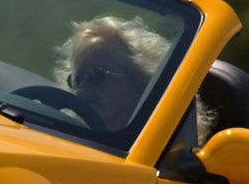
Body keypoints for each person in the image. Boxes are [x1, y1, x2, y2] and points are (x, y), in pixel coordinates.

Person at [56, 15, 215, 139]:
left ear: (139, 82)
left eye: (98, 76)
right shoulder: (60, 136)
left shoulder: (165, 157)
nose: (83, 88)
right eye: (78, 78)